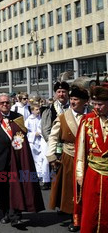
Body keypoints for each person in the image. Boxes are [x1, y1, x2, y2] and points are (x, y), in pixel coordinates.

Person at [0, 93, 44, 227]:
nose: (5, 105)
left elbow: (22, 139)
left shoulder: (18, 118)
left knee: (15, 188)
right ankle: (5, 212)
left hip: (15, 160)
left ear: (10, 104)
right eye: (2, 103)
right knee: (2, 190)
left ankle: (15, 215)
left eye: (7, 103)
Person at [47, 86, 90, 232]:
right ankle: (75, 220)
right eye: (71, 99)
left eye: (76, 99)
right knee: (71, 190)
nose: (72, 102)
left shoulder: (92, 115)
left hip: (90, 158)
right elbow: (53, 137)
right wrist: (51, 156)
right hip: (69, 156)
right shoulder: (63, 117)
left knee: (88, 190)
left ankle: (88, 217)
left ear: (85, 102)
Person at [73, 84, 108, 232]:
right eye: (94, 104)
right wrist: (80, 175)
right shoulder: (87, 120)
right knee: (91, 213)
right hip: (93, 174)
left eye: (100, 104)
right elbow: (80, 150)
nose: (97, 107)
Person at [24, 103, 50, 190]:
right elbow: (25, 132)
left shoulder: (41, 118)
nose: (38, 111)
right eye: (36, 109)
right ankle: (38, 175)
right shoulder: (28, 120)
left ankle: (44, 177)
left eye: (39, 109)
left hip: (41, 141)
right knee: (35, 160)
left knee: (43, 159)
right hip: (33, 142)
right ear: (32, 111)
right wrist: (33, 134)